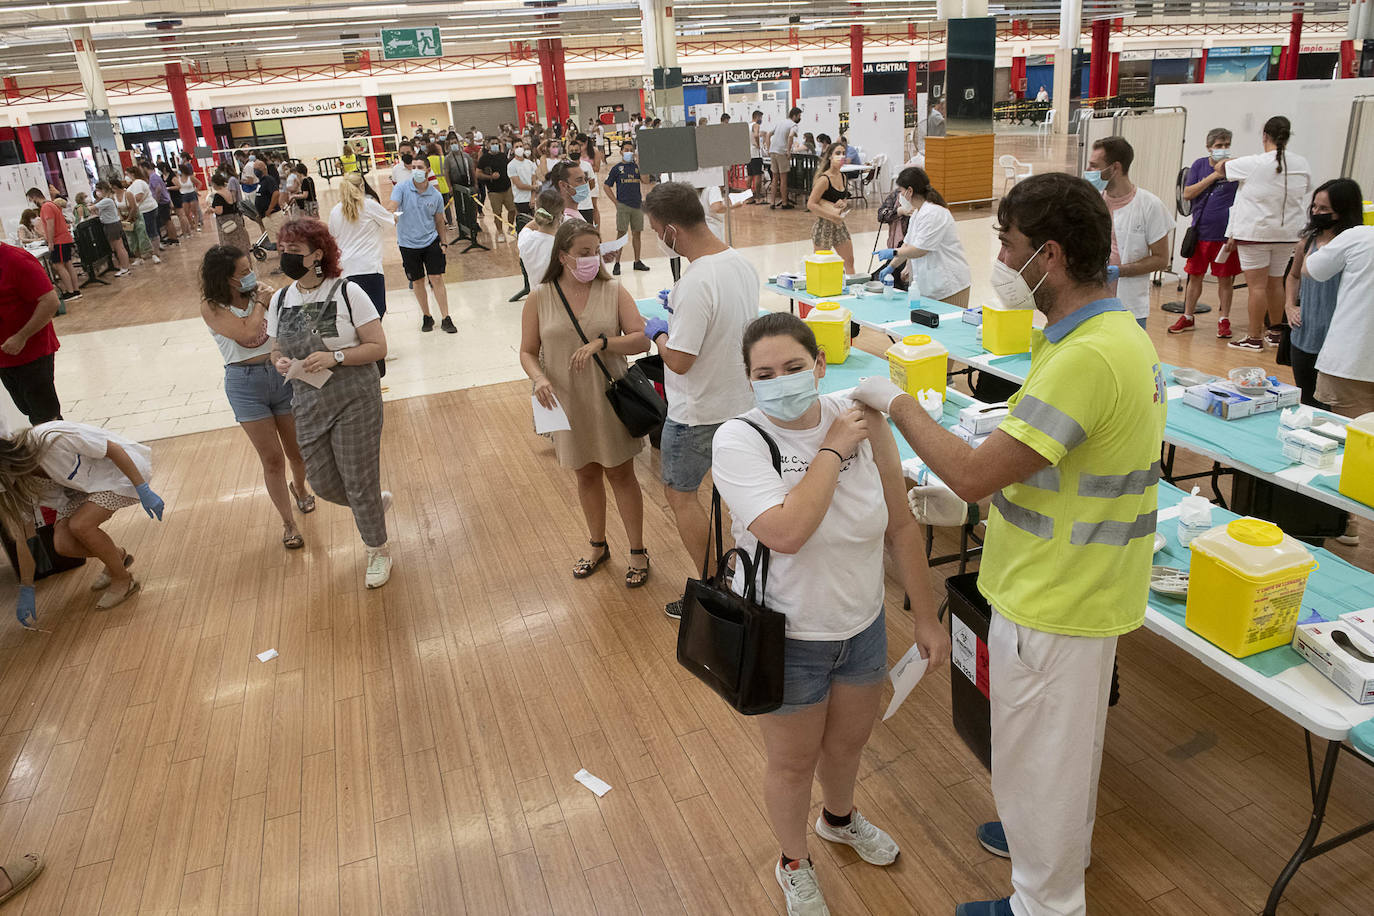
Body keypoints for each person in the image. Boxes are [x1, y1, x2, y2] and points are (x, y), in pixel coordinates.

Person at [850, 172, 1167, 916]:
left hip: (1057, 596)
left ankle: (1043, 903)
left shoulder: (1088, 357)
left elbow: (972, 472)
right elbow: (1039, 468)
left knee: (1039, 763)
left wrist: (894, 398)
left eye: (1008, 244)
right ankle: (1049, 860)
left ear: (1048, 255)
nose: (1000, 256)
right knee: (1058, 760)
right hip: (1082, 584)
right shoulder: (1106, 335)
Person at [710, 312, 949, 915]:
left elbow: (900, 523)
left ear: (820, 364)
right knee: (791, 763)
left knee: (847, 746)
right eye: (764, 374)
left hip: (862, 625)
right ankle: (793, 861)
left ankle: (838, 819)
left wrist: (925, 617)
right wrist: (833, 451)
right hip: (787, 635)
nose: (781, 381)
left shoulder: (861, 420)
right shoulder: (740, 439)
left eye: (794, 367)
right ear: (749, 382)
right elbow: (787, 531)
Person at [639, 181, 759, 617]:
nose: (657, 239)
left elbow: (680, 362)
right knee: (741, 499)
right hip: (742, 403)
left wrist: (660, 334)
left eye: (656, 231)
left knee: (681, 495)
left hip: (697, 413)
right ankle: (748, 579)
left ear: (672, 231)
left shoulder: (695, 282)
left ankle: (714, 588)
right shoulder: (739, 264)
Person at [518, 220, 652, 587]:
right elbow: (528, 352)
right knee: (585, 472)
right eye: (584, 253)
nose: (593, 259)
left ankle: (638, 551)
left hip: (608, 397)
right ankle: (597, 545)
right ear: (563, 256)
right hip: (565, 399)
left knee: (621, 473)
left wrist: (604, 343)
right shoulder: (540, 297)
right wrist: (539, 378)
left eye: (596, 251)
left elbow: (642, 340)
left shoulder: (613, 290)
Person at [266, 219, 394, 589]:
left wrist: (335, 357)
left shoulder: (348, 292)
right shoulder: (280, 298)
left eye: (295, 251)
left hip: (355, 398)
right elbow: (276, 347)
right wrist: (280, 361)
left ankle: (377, 549)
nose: (286, 257)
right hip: (308, 400)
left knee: (358, 478)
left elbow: (377, 347)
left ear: (318, 255)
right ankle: (369, 505)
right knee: (321, 482)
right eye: (283, 250)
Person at [199, 245, 313, 550]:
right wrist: (262, 302)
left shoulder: (266, 294)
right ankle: (288, 523)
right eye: (243, 272)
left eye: (250, 268)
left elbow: (291, 327)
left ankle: (300, 488)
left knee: (297, 450)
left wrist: (276, 301)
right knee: (272, 459)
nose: (251, 275)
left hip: (280, 375)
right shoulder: (211, 306)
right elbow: (247, 334)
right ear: (225, 279)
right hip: (244, 385)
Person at [1, 420, 164, 614]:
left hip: (116, 473)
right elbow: (25, 537)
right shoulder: (19, 480)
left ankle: (123, 579)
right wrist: (27, 588)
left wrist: (142, 488)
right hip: (79, 490)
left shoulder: (52, 437)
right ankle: (117, 556)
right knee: (63, 545)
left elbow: (112, 449)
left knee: (81, 525)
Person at [1216, 115, 1311, 351]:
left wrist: (1234, 160)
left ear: (1265, 136)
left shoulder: (1254, 162)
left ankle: (1254, 337)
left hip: (1255, 233)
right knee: (1275, 282)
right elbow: (1307, 188)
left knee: (1256, 287)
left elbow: (1219, 168)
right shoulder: (1301, 163)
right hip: (1288, 232)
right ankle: (1275, 332)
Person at [1283, 180, 1361, 409]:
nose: (1316, 213)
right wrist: (1290, 306)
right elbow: (1293, 276)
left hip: (1337, 338)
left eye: (1324, 209)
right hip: (1305, 333)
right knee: (1307, 398)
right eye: (1314, 207)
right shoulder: (1307, 242)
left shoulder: (1353, 246)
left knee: (1331, 403)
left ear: (1344, 210)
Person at [1086, 136, 1171, 328]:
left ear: (1115, 168)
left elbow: (1160, 259)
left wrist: (1119, 271)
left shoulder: (1150, 205)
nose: (1089, 171)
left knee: (1126, 355)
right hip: (1091, 300)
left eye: (1094, 166)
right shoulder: (1091, 202)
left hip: (1129, 304)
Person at [1304, 188, 1374, 417]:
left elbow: (1310, 269)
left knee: (1351, 440)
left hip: (1352, 361)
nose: (1316, 212)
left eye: (1324, 208)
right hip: (1352, 358)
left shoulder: (1358, 237)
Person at [1171, 128, 1242, 337]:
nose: (1223, 149)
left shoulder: (1235, 167)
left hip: (1224, 235)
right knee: (1194, 277)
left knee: (1225, 279)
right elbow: (1187, 193)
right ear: (1209, 147)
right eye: (1219, 145)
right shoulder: (1199, 165)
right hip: (1200, 232)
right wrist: (1214, 175)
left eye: (1226, 145)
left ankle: (1224, 319)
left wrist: (1235, 233)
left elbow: (1243, 200)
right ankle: (1188, 316)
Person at [876, 166, 972, 307]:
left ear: (910, 191)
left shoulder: (934, 213)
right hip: (930, 285)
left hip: (950, 286)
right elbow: (907, 245)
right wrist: (891, 266)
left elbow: (920, 250)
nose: (900, 196)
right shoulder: (917, 213)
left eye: (901, 192)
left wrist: (893, 252)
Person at [0, 240, 63, 425]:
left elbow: (50, 302)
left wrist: (21, 337)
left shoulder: (16, 259)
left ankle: (59, 452)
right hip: (5, 357)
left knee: (46, 416)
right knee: (29, 411)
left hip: (31, 353)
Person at [389, 162, 453, 333]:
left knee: (437, 278)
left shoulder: (435, 195)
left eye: (420, 167)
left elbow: (439, 221)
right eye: (414, 167)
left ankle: (446, 317)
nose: (417, 170)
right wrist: (393, 214)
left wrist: (443, 242)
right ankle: (427, 316)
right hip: (408, 243)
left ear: (428, 170)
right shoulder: (402, 188)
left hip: (430, 240)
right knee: (417, 281)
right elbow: (393, 206)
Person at [806, 142, 855, 274]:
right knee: (821, 265)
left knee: (849, 261)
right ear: (830, 157)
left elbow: (842, 199)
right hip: (824, 226)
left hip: (839, 225)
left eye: (843, 153)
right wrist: (832, 216)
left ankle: (852, 289)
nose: (841, 156)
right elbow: (811, 204)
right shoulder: (824, 179)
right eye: (837, 153)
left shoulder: (843, 177)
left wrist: (843, 204)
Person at [604, 140, 651, 274]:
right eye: (626, 150)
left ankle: (637, 261)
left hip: (637, 205)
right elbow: (607, 185)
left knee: (637, 233)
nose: (628, 152)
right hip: (623, 205)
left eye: (631, 150)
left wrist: (640, 163)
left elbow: (646, 180)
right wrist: (615, 202)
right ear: (621, 152)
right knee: (621, 234)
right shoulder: (617, 169)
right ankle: (617, 263)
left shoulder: (636, 167)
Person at [518, 189, 565, 286]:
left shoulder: (525, 238)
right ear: (561, 213)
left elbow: (527, 227)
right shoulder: (563, 246)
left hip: (535, 297)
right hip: (559, 298)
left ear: (536, 210)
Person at [477, 138, 517, 242]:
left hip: (507, 188)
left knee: (512, 210)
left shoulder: (503, 156)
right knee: (497, 213)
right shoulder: (484, 159)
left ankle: (511, 228)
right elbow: (478, 173)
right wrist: (490, 177)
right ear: (488, 145)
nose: (495, 145)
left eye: (496, 143)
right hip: (494, 191)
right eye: (493, 143)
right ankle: (500, 232)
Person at [125, 165, 164, 263]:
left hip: (147, 209)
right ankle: (151, 252)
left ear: (132, 174)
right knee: (147, 232)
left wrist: (130, 198)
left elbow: (138, 197)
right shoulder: (135, 184)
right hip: (144, 210)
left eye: (127, 174)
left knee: (151, 231)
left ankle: (155, 253)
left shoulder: (138, 182)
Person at [92, 181, 132, 276]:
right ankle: (123, 266)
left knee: (119, 247)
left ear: (103, 190)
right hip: (111, 224)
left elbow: (92, 208)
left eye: (98, 190)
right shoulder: (106, 200)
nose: (97, 192)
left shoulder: (107, 200)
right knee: (117, 247)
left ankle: (125, 268)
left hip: (112, 225)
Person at [768, 107, 802, 209]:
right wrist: (788, 150)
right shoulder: (793, 125)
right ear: (794, 116)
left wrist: (769, 148)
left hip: (773, 151)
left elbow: (768, 134)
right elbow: (791, 136)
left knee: (774, 178)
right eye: (799, 116)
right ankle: (784, 203)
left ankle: (772, 203)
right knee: (783, 179)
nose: (800, 118)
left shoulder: (780, 122)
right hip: (781, 152)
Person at [208, 173, 252, 253]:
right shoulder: (228, 191)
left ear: (214, 183)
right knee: (239, 242)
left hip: (225, 222)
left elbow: (219, 211)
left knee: (229, 245)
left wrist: (211, 209)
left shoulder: (218, 195)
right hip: (235, 219)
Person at [578, 137, 601, 229]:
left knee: (594, 206)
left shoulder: (594, 151)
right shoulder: (577, 153)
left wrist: (587, 168)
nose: (580, 147)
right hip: (581, 183)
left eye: (581, 144)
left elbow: (597, 168)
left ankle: (597, 228)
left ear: (586, 143)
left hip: (591, 180)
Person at [509, 142, 537, 216]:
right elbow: (519, 185)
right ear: (513, 149)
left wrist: (533, 198)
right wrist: (533, 187)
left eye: (521, 146)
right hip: (520, 200)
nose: (519, 148)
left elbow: (534, 181)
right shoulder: (511, 165)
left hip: (532, 199)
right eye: (516, 147)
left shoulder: (530, 163)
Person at [748, 110, 767, 203]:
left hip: (748, 153)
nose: (761, 120)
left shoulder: (747, 125)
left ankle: (749, 197)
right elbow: (755, 134)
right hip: (755, 153)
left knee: (750, 176)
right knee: (758, 175)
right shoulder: (756, 125)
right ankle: (758, 196)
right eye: (761, 118)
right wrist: (758, 144)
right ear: (757, 117)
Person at [177, 163, 204, 232]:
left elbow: (199, 183)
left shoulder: (190, 177)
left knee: (194, 211)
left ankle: (197, 225)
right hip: (183, 195)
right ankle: (191, 224)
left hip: (191, 194)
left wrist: (196, 190)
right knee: (186, 212)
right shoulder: (178, 179)